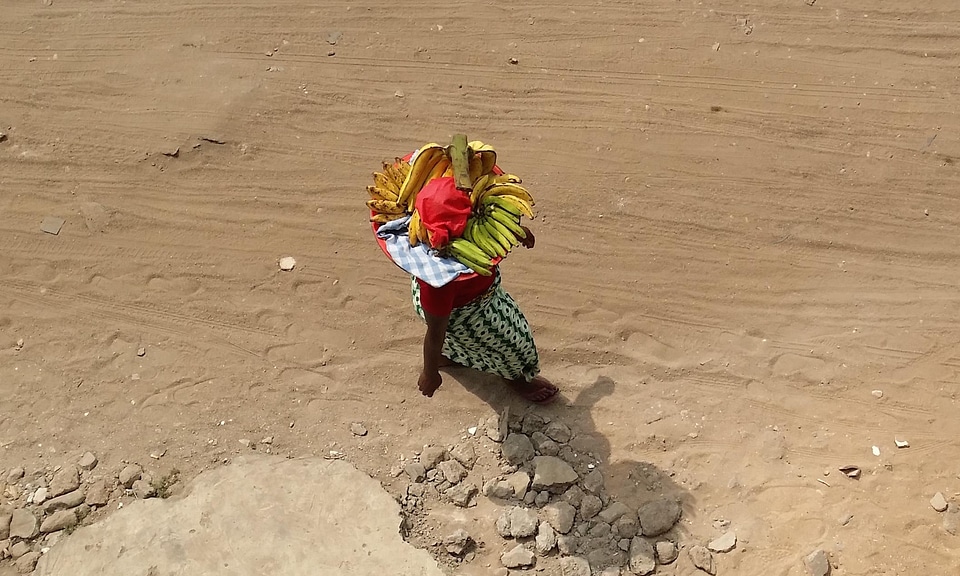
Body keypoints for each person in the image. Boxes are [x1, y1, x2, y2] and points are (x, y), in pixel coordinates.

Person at [410, 177, 559, 403]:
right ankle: (515, 378)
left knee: (461, 339)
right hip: (462, 313)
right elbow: (434, 333)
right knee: (513, 344)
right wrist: (429, 374)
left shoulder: (475, 230)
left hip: (461, 302)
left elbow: (495, 227)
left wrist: (517, 232)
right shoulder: (439, 280)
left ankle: (451, 356)